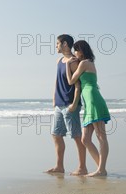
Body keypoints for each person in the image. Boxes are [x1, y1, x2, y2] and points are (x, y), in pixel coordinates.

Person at [66, 40, 111, 177]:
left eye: (76, 50)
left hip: (93, 99)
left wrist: (68, 65)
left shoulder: (85, 63)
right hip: (89, 101)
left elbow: (71, 81)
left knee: (101, 135)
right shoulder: (87, 63)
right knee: (85, 139)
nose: (75, 53)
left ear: (82, 51)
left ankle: (101, 170)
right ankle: (101, 168)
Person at [46, 34, 87, 176]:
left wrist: (75, 103)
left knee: (76, 136)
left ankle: (82, 167)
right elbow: (57, 81)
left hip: (70, 105)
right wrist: (54, 100)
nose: (56, 46)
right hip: (59, 104)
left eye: (57, 43)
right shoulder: (59, 61)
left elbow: (78, 85)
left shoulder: (73, 62)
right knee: (56, 134)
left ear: (64, 44)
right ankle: (59, 166)